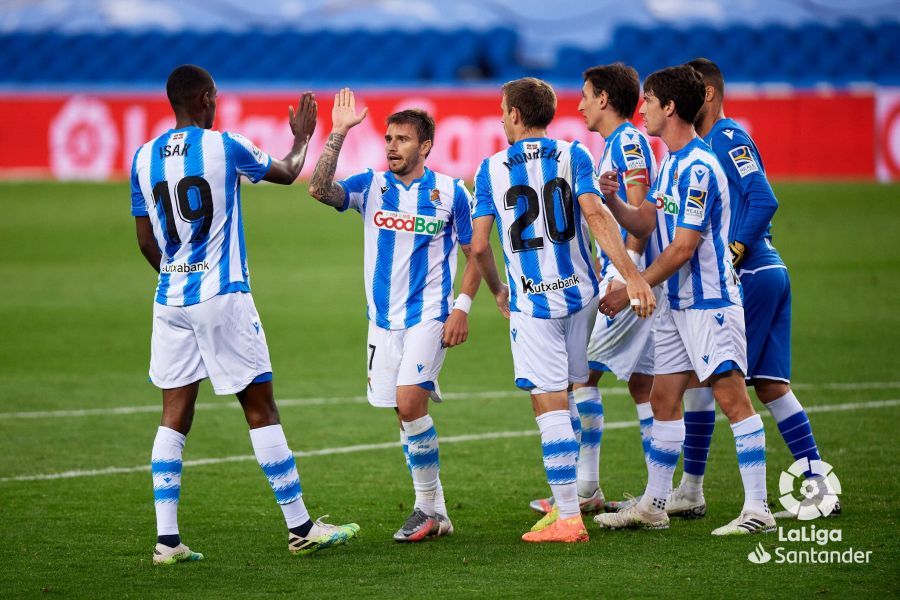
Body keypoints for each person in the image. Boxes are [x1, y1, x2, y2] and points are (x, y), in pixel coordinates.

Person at [131, 65, 359, 565]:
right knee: (260, 409)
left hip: (170, 300)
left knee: (173, 417)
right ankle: (301, 527)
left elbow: (146, 239)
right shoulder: (224, 145)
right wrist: (301, 137)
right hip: (222, 294)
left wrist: (176, 273)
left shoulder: (142, 158)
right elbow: (289, 170)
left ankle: (166, 541)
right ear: (207, 98)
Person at [470, 77, 656, 543]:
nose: (499, 116)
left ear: (514, 115)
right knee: (571, 392)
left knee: (547, 402)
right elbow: (596, 215)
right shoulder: (576, 154)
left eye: (501, 109)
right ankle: (572, 499)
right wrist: (632, 275)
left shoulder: (490, 169)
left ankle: (569, 516)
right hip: (581, 297)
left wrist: (497, 289)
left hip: (533, 302)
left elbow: (476, 248)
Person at [594, 65, 775, 535]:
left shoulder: (698, 166)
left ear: (670, 107)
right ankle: (654, 504)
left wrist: (634, 283)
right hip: (676, 306)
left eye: (649, 101)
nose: (644, 110)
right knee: (662, 397)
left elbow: (683, 247)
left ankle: (758, 509)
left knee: (733, 398)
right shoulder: (671, 163)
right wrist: (613, 202)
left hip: (709, 304)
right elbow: (646, 224)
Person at [307, 89, 481, 542]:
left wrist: (462, 307)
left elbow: (475, 251)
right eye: (388, 138)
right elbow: (319, 189)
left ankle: (425, 507)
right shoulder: (372, 186)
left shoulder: (450, 192)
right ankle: (437, 510)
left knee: (409, 402)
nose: (392, 146)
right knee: (402, 415)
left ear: (425, 146)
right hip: (381, 321)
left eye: (402, 139)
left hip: (430, 316)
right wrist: (339, 132)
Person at [671, 57, 838, 519]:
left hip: (752, 274)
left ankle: (692, 489)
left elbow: (765, 198)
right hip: (768, 272)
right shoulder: (704, 146)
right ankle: (819, 487)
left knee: (710, 380)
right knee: (769, 385)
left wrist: (733, 253)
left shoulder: (727, 138)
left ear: (706, 93)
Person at [528, 63, 661, 523]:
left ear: (604, 98)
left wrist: (626, 278)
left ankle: (585, 489)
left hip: (627, 279)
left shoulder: (626, 141)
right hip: (634, 279)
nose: (580, 104)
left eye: (585, 95)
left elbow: (642, 212)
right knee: (644, 387)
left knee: (580, 379)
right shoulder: (613, 146)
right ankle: (658, 495)